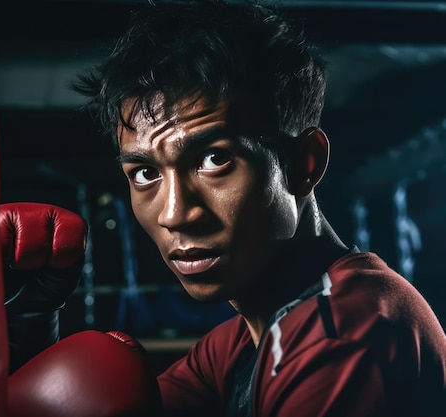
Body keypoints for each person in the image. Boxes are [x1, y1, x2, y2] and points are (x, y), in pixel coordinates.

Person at [63, 0, 446, 415]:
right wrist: (24, 322)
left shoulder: (341, 336)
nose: (174, 214)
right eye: (145, 173)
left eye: (214, 160)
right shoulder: (240, 342)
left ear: (303, 164)